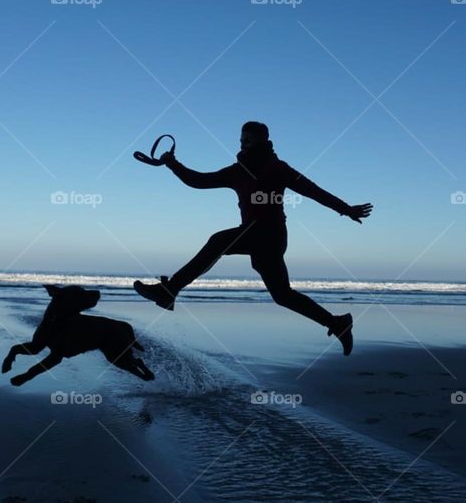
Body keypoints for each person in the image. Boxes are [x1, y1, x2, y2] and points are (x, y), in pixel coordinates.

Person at [133, 121, 372, 355]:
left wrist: (346, 209)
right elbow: (199, 181)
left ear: (263, 140)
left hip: (270, 234)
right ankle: (337, 323)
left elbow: (313, 191)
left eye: (247, 139)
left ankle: (170, 289)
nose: (243, 144)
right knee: (282, 295)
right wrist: (172, 163)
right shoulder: (238, 170)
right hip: (257, 236)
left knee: (219, 241)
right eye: (241, 140)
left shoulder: (276, 167)